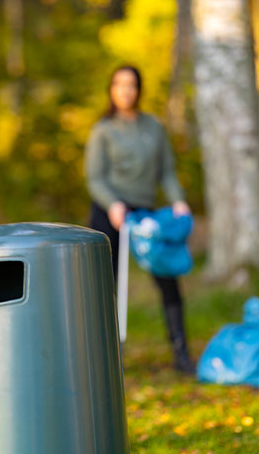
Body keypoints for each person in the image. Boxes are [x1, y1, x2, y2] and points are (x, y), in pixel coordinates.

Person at [84, 65, 194, 373]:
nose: (125, 90)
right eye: (119, 84)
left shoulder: (155, 128)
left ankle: (181, 353)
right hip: (111, 213)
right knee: (106, 286)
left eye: (131, 84)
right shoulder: (102, 130)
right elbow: (95, 179)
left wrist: (178, 201)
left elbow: (167, 172)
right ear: (111, 90)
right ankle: (104, 358)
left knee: (168, 279)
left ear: (139, 90)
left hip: (145, 214)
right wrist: (114, 205)